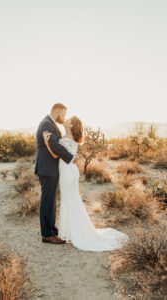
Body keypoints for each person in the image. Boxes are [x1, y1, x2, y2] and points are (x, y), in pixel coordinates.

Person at [43, 116, 129, 251]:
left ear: (71, 126)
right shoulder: (66, 136)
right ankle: (69, 232)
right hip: (69, 171)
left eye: (68, 120)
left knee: (69, 200)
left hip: (67, 172)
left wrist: (46, 142)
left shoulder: (66, 139)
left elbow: (55, 155)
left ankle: (71, 233)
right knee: (70, 199)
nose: (65, 120)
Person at [35, 103, 79, 244]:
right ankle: (47, 234)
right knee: (47, 201)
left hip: (51, 168)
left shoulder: (51, 124)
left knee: (51, 200)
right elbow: (54, 145)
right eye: (64, 114)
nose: (64, 117)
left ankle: (51, 228)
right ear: (58, 112)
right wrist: (71, 158)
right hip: (47, 168)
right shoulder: (47, 124)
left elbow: (55, 145)